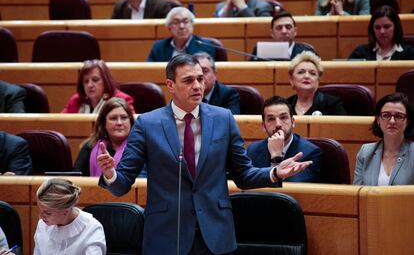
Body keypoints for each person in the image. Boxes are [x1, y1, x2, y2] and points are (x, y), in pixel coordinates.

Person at [97, 54, 312, 255]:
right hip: (166, 235)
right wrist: (110, 174)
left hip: (215, 233)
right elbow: (122, 184)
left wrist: (274, 172)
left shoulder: (224, 119)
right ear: (170, 85)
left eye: (200, 78)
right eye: (188, 80)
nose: (198, 86)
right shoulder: (148, 124)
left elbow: (243, 174)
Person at [247, 96, 322, 182]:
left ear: (293, 122)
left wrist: (276, 157)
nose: (278, 124)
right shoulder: (252, 150)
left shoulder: (311, 153)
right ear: (264, 126)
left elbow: (290, 189)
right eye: (271, 119)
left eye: (283, 117)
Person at [354, 92, 414, 185]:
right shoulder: (365, 152)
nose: (392, 121)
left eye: (399, 116)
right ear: (378, 120)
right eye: (386, 115)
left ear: (407, 122)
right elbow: (358, 193)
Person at [34, 178, 106, 254]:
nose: (40, 217)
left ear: (66, 211)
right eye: (40, 210)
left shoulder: (92, 229)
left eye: (47, 213)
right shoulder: (43, 224)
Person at [73, 97, 135, 176]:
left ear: (130, 121)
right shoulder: (90, 145)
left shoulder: (139, 148)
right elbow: (76, 177)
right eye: (113, 118)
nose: (119, 123)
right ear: (103, 123)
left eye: (124, 118)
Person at [62, 59, 135, 114]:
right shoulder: (76, 100)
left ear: (106, 81)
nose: (90, 85)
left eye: (95, 80)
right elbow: (60, 124)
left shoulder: (121, 100)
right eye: (86, 81)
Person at [287, 51, 347, 116]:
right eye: (301, 72)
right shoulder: (286, 105)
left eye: (312, 73)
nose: (307, 76)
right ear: (291, 80)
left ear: (318, 81)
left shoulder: (332, 105)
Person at [147, 7, 217, 62]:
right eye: (176, 22)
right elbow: (150, 72)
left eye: (185, 21)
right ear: (169, 27)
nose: (181, 26)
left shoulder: (206, 47)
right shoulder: (159, 48)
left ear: (192, 25)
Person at [349, 5, 414, 61]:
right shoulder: (360, 53)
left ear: (396, 27)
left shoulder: (410, 53)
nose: (382, 31)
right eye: (377, 27)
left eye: (386, 27)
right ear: (372, 29)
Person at [250, 11, 317, 61]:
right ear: (272, 33)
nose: (284, 31)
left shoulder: (307, 51)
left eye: (288, 27)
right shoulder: (261, 51)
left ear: (295, 31)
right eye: (279, 28)